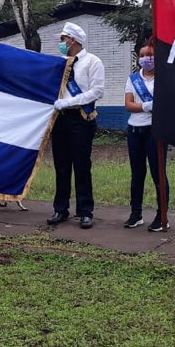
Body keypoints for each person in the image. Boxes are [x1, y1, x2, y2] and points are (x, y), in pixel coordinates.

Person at [47, 22, 104, 230]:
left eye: (63, 39)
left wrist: (68, 102)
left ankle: (85, 211)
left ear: (73, 40)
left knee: (81, 165)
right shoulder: (61, 63)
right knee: (61, 166)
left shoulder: (92, 62)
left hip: (81, 118)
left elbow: (96, 91)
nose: (61, 43)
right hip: (61, 118)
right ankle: (60, 209)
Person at [123, 42, 170, 232]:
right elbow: (128, 104)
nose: (145, 59)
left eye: (149, 55)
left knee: (158, 174)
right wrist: (146, 106)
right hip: (134, 131)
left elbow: (166, 103)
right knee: (137, 174)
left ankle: (162, 216)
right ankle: (136, 214)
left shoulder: (164, 79)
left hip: (155, 132)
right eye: (142, 55)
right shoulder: (133, 79)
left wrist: (143, 105)